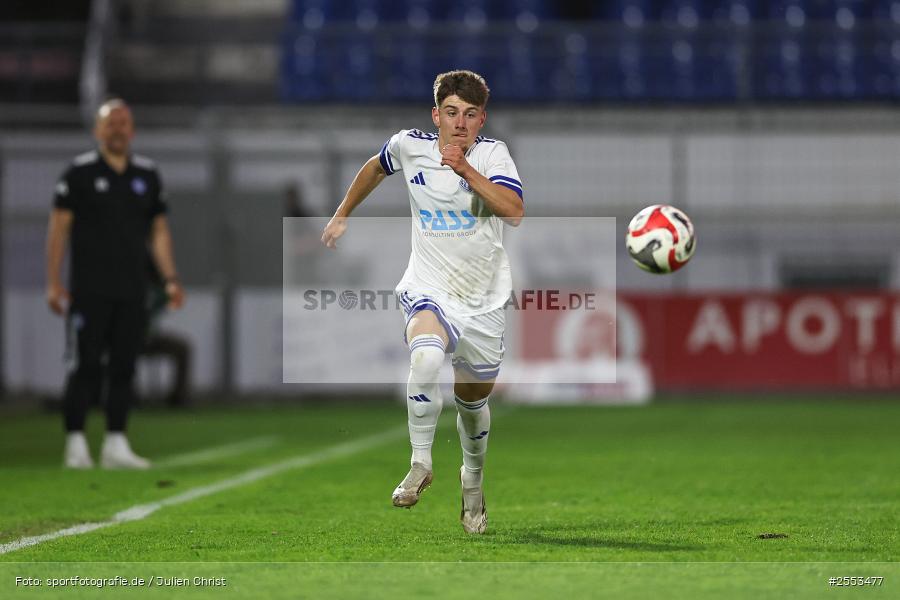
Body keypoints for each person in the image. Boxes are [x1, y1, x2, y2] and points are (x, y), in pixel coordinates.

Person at [321, 70, 524, 534]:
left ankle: (472, 480)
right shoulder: (409, 145)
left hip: (483, 299)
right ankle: (420, 463)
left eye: (470, 115)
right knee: (426, 356)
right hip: (428, 286)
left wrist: (464, 169)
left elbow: (514, 212)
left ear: (482, 120)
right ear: (436, 115)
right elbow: (376, 166)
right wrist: (341, 213)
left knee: (472, 403)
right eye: (451, 113)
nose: (459, 123)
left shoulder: (493, 155)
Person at [46, 98, 185, 469]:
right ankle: (75, 442)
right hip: (89, 289)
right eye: (111, 123)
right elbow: (58, 229)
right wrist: (53, 282)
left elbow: (159, 232)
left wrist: (170, 279)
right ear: (98, 130)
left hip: (132, 290)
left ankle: (115, 442)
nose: (118, 129)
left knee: (125, 365)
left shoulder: (147, 175)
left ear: (132, 130)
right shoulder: (78, 173)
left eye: (123, 123)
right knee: (85, 364)